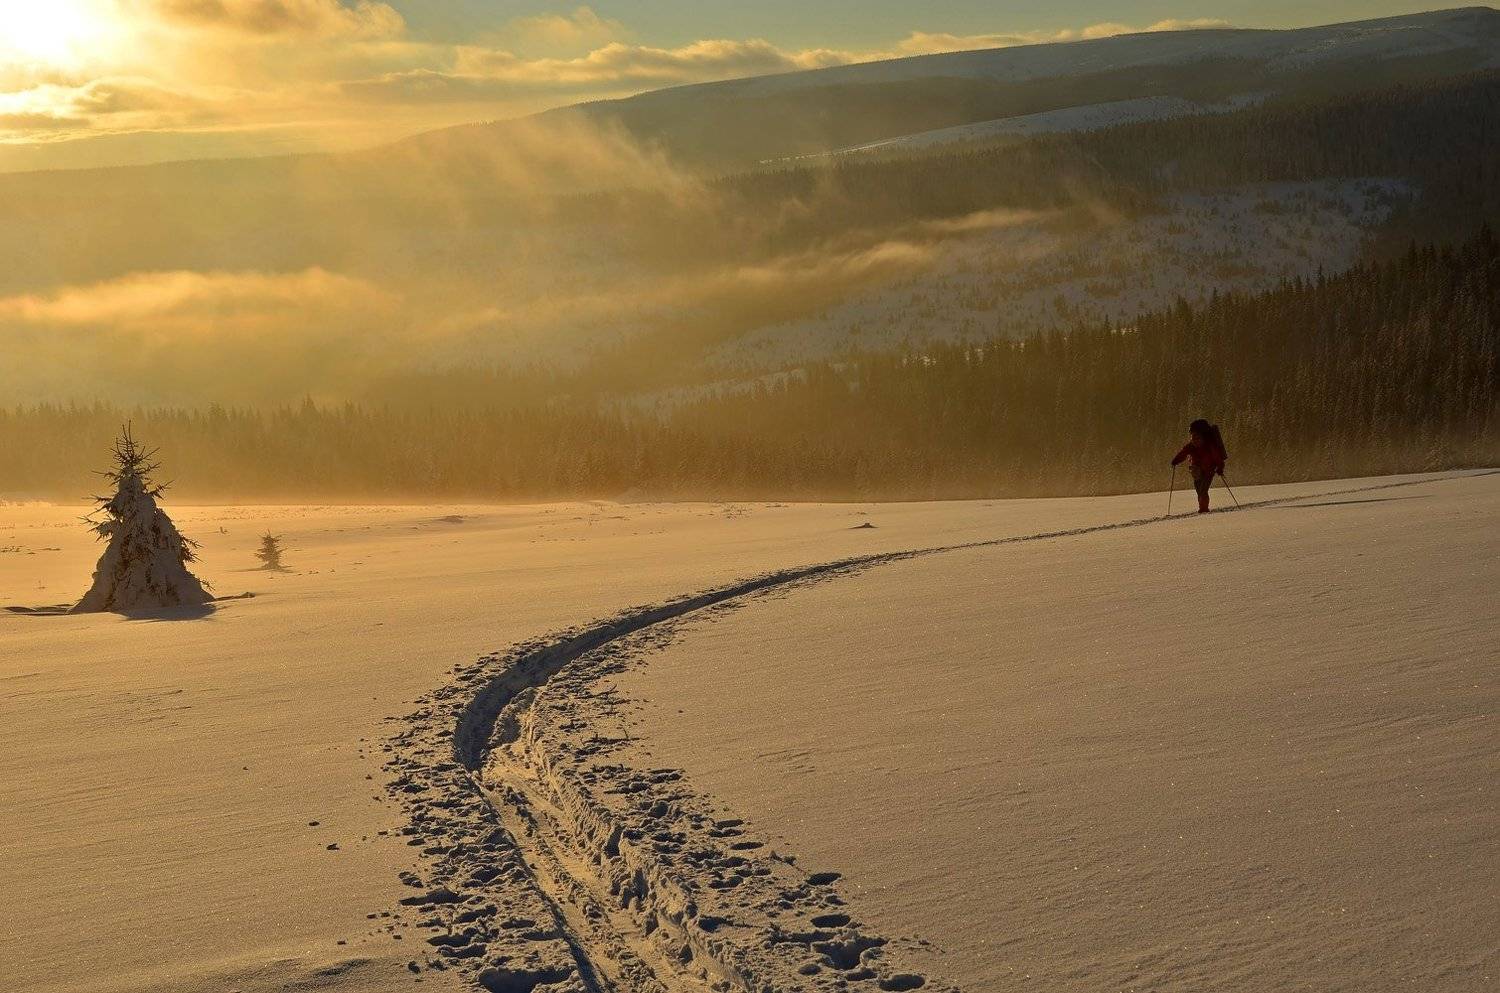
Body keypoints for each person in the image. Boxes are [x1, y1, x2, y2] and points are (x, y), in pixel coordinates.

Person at [1171, 419, 1228, 513]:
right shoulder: (1191, 446)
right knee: (1199, 491)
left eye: (1197, 438)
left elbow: (1218, 458)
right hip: (1196, 471)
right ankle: (1202, 507)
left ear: (1202, 437)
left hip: (1208, 471)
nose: (1194, 440)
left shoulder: (1209, 446)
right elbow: (1183, 454)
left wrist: (1220, 468)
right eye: (1193, 438)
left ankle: (1203, 508)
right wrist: (1175, 461)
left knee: (1203, 490)